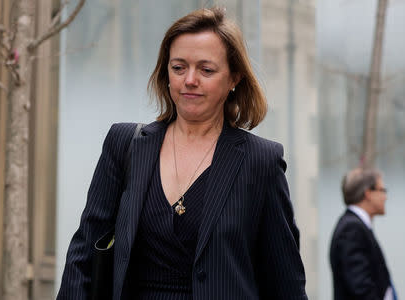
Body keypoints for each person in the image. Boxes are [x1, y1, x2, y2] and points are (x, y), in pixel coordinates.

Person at [57, 7, 307, 300]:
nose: (190, 79)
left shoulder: (260, 161)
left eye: (206, 70)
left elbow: (285, 283)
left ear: (234, 79)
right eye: (178, 68)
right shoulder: (125, 145)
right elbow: (84, 254)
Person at [330, 168, 397, 300]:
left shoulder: (356, 226)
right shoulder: (351, 229)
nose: (385, 197)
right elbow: (361, 287)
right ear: (368, 193)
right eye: (382, 190)